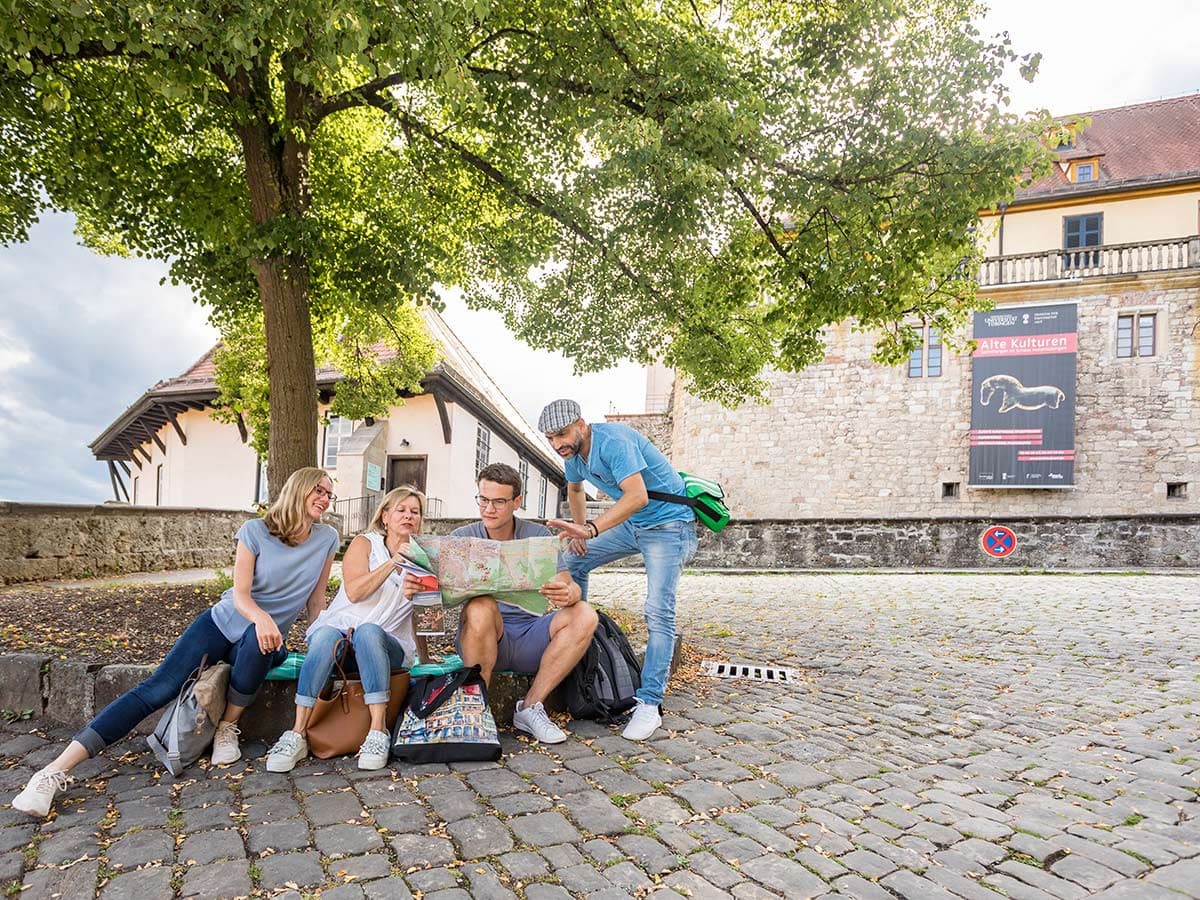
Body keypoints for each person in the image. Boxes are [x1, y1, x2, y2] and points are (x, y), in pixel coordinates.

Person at [11, 468, 340, 818]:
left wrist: (326, 636)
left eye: (329, 494)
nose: (324, 498)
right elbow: (241, 596)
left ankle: (227, 728)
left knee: (265, 645)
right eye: (318, 490)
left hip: (263, 640)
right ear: (298, 490)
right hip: (222, 624)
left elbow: (316, 602)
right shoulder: (255, 531)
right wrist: (262, 617)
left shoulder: (327, 539)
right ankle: (53, 772)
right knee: (156, 689)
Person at [540, 399, 697, 741]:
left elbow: (637, 496)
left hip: (669, 525)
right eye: (551, 438)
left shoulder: (614, 443)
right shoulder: (572, 455)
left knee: (658, 611)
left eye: (562, 435)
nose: (557, 445)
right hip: (634, 525)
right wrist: (580, 532)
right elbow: (575, 488)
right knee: (572, 559)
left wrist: (593, 529)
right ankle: (579, 636)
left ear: (581, 424)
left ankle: (650, 703)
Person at [406, 463, 596, 744]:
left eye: (498, 501)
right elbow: (432, 596)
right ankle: (477, 710)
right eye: (483, 499)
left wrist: (570, 593)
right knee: (481, 604)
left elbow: (570, 584)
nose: (488, 509)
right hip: (482, 636)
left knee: (585, 614)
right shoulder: (463, 538)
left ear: (517, 502)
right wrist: (418, 586)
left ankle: (530, 708)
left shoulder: (538, 536)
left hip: (531, 635)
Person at [265, 485, 428, 772]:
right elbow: (354, 592)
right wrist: (393, 563)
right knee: (326, 634)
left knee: (368, 631)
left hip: (385, 646)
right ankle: (297, 733)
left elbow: (426, 614)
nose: (408, 516)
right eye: (401, 510)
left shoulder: (425, 558)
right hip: (342, 639)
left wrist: (425, 657)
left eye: (415, 512)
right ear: (385, 516)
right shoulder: (366, 544)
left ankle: (378, 732)